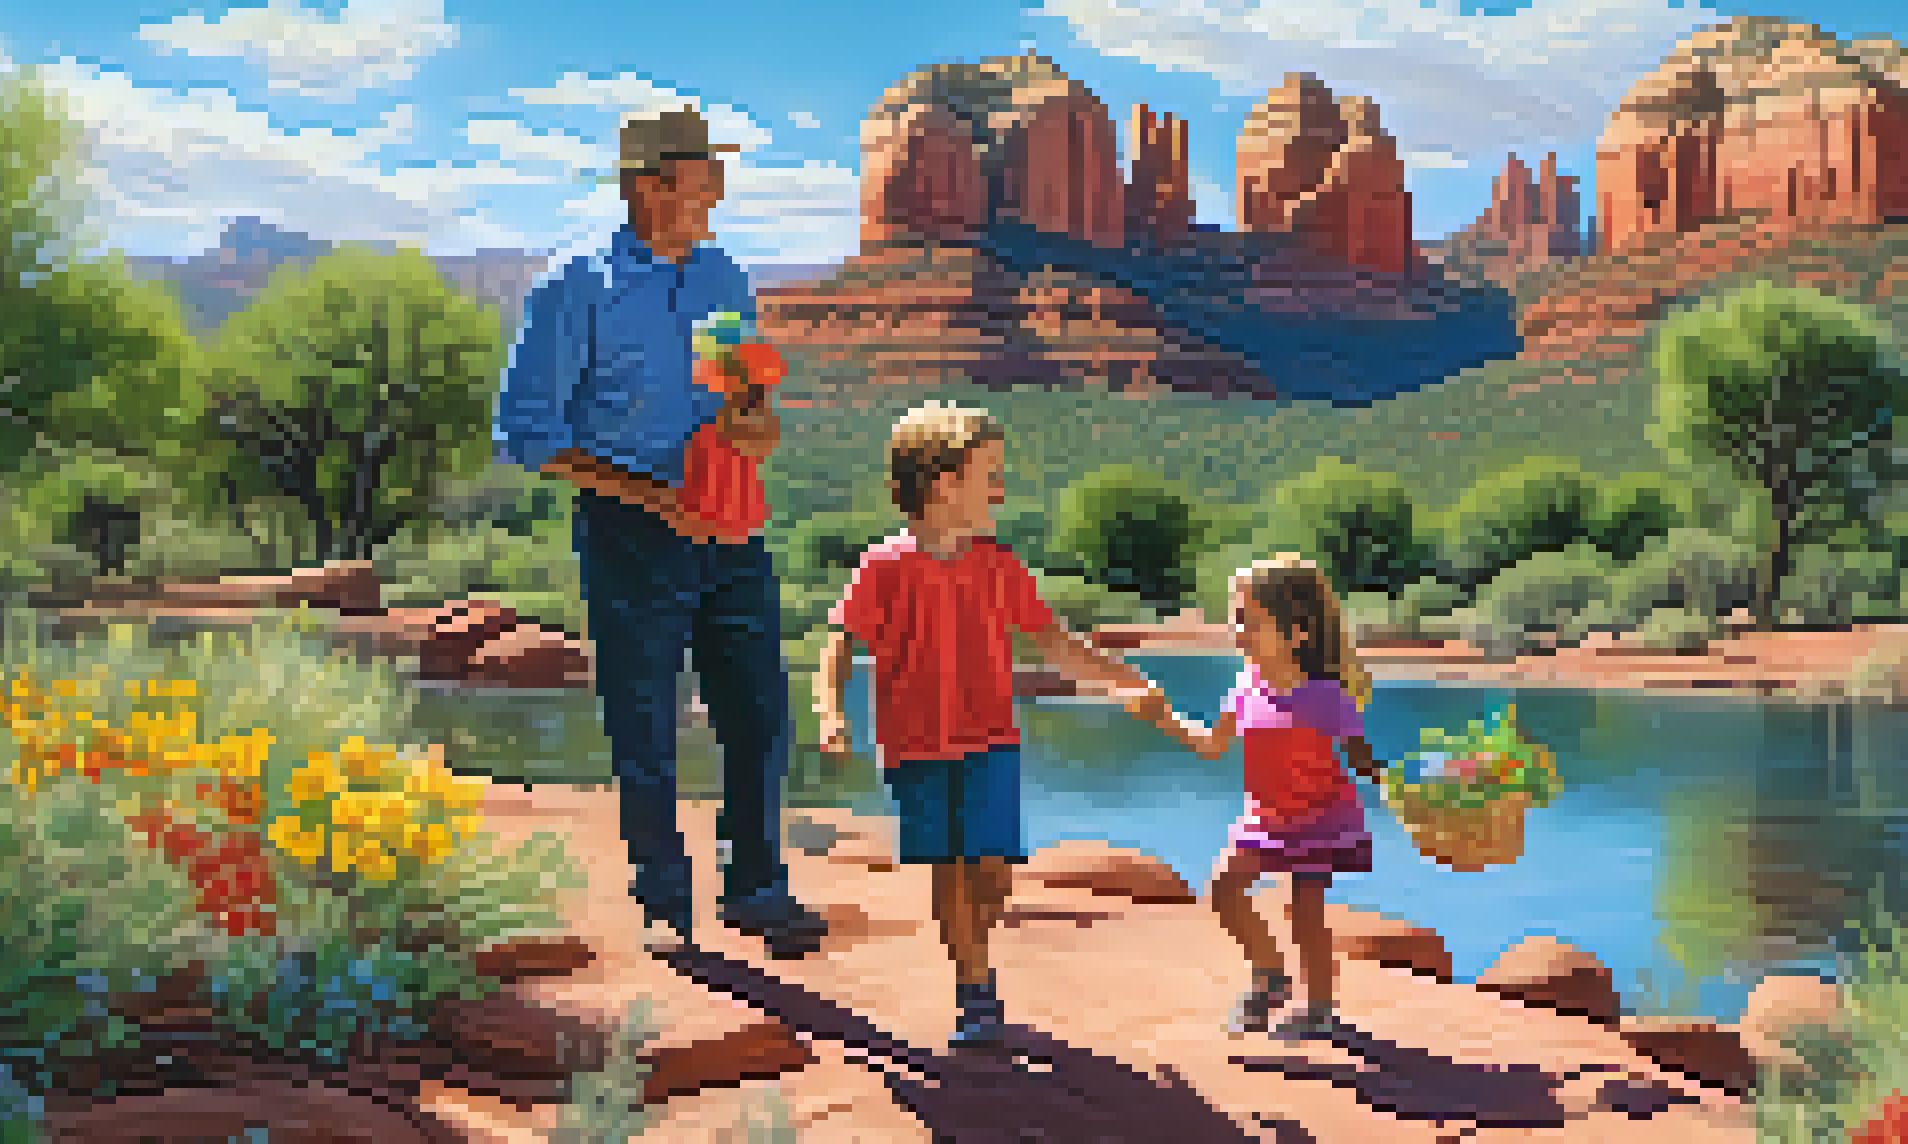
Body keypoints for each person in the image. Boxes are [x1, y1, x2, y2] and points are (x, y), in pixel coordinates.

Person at [494, 106, 827, 960]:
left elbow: (740, 394)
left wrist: (754, 424)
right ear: (651, 185)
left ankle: (757, 888)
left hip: (731, 519)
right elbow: (528, 434)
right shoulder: (575, 287)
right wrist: (650, 498)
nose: (717, 191)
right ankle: (664, 903)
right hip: (630, 527)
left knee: (758, 713)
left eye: (718, 175)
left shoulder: (724, 278)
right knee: (645, 719)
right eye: (703, 176)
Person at [813, 406, 1165, 1048]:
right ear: (944, 482)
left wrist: (1124, 678)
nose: (1002, 489)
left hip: (991, 741)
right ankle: (975, 991)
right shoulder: (884, 565)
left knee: (994, 872)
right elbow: (840, 641)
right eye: (992, 476)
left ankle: (975, 958)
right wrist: (831, 712)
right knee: (948, 868)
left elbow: (1052, 641)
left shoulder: (998, 564)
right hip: (915, 747)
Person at [1128, 554, 1383, 1041]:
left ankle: (1320, 1009)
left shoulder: (1328, 697)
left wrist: (1413, 792)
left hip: (1320, 817)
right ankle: (1270, 973)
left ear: (1297, 634)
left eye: (1248, 620)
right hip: (1263, 818)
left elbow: (1364, 762)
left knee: (1305, 909)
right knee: (1223, 890)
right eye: (1235, 617)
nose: (1236, 629)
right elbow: (1211, 745)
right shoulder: (1245, 687)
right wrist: (1162, 717)